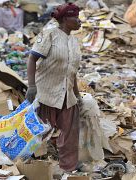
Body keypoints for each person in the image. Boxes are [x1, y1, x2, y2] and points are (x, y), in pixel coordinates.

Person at [25, 3, 83, 172]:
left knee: (70, 134)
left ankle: (68, 168)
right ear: (65, 19)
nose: (79, 21)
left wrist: (77, 95)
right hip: (47, 93)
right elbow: (32, 59)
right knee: (42, 132)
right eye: (76, 18)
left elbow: (71, 72)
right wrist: (31, 86)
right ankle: (37, 167)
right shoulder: (49, 34)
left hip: (67, 95)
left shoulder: (73, 41)